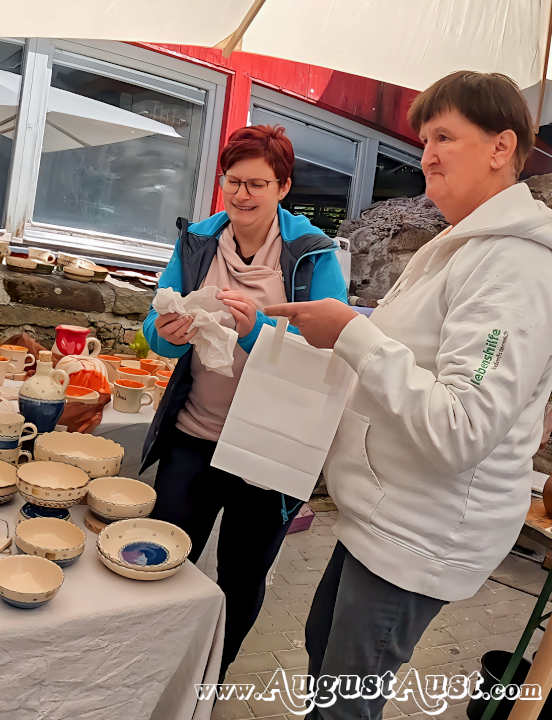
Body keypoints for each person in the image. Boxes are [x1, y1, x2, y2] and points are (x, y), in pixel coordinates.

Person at [264, 71, 552, 719]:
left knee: (343, 704)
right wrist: (350, 329)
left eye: (445, 136)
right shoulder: (460, 246)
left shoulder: (513, 264)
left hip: (420, 533)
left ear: (502, 147)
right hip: (381, 512)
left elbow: (462, 426)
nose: (427, 155)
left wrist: (351, 334)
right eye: (425, 140)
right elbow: (420, 349)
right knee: (322, 654)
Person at [141, 124, 348, 675]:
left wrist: (256, 331)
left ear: (283, 187)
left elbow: (334, 349)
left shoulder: (311, 254)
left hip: (271, 449)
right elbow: (153, 327)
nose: (242, 194)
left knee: (241, 574)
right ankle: (153, 672)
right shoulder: (198, 241)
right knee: (162, 555)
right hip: (194, 434)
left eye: (258, 183)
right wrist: (168, 333)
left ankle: (209, 679)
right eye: (233, 181)